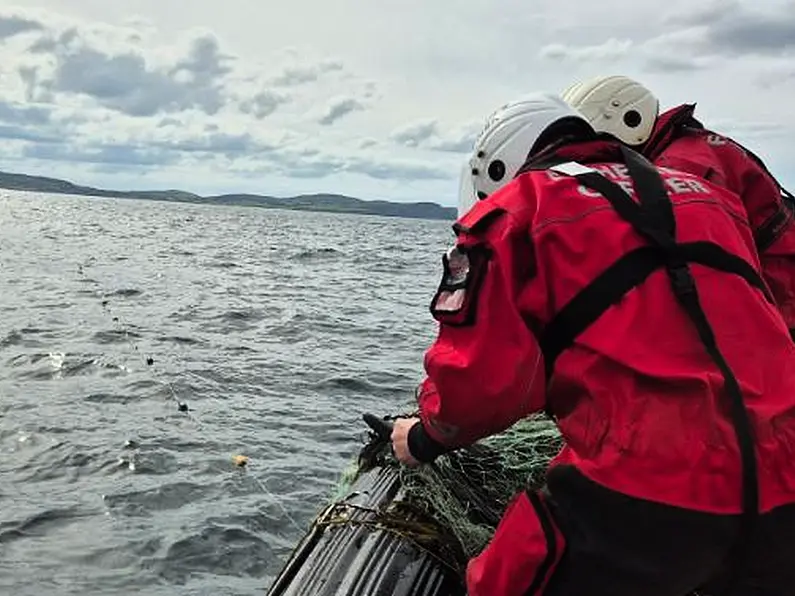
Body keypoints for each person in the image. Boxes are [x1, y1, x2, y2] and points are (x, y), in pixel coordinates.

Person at [389, 92, 795, 596]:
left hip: (649, 487)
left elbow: (480, 382)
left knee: (502, 578)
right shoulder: (710, 196)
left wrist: (424, 438)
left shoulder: (519, 210)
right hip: (785, 480)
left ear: (497, 169)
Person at [560, 75, 795, 337]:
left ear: (628, 121)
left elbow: (692, 261)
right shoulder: (690, 149)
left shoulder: (681, 168)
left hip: (780, 296)